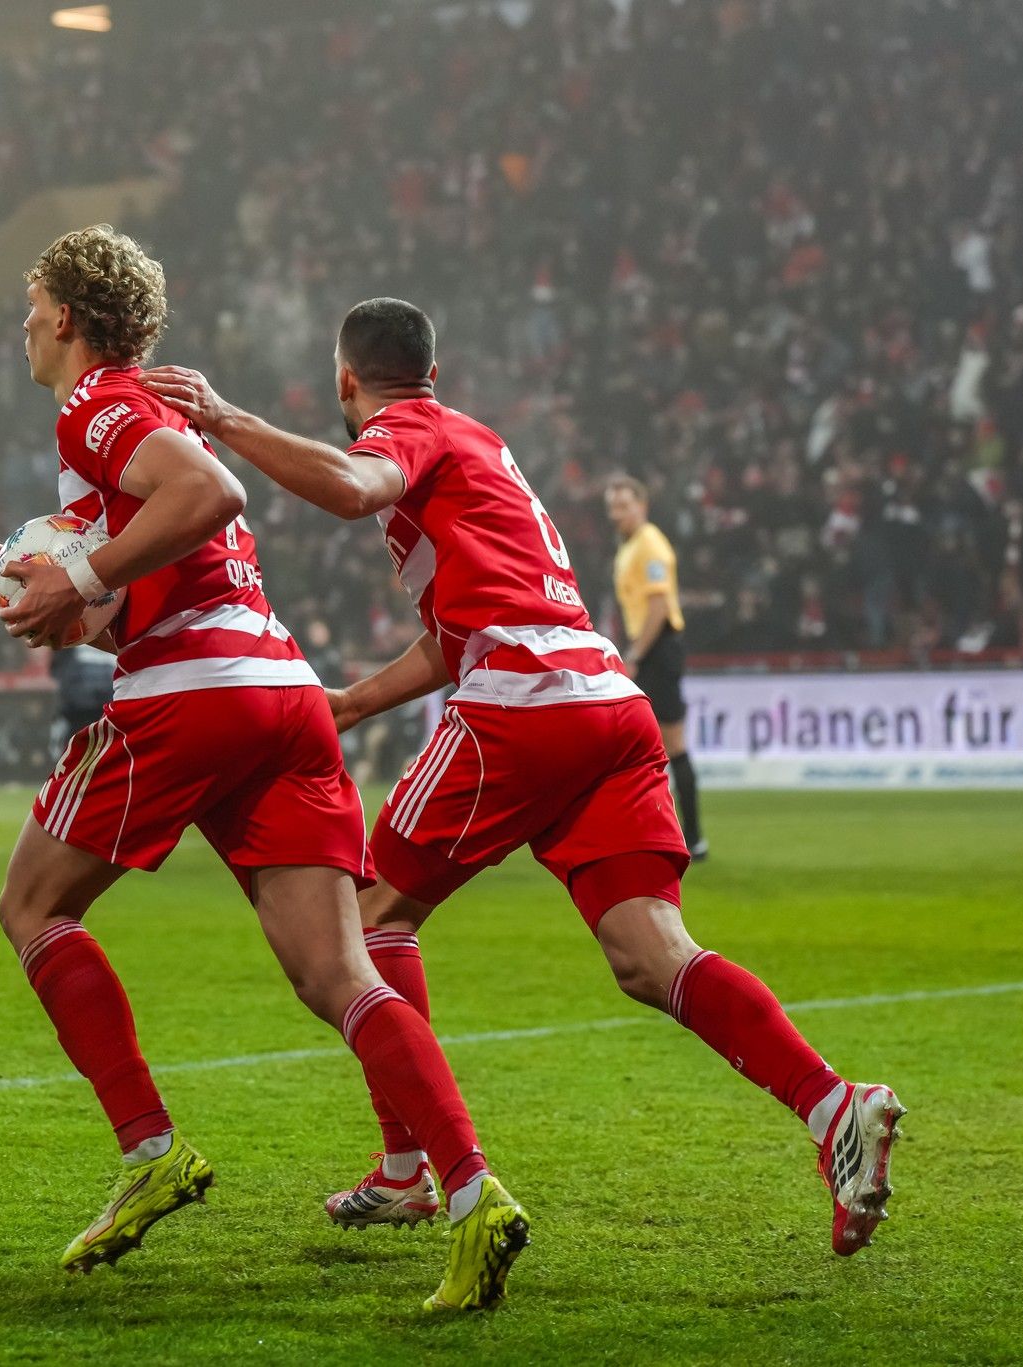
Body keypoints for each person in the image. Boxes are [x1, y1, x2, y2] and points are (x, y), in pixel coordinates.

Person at [143, 298, 905, 1258]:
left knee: (367, 918)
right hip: (605, 705)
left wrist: (227, 419)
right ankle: (837, 1106)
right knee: (650, 953)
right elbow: (452, 631)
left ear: (346, 379)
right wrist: (354, 703)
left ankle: (412, 1171)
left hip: (523, 705)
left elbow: (349, 486)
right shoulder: (479, 443)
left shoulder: (403, 429)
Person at [0, 228, 523, 1311]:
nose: (20, 321)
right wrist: (10, 570)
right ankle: (475, 1194)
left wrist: (76, 576)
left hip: (196, 695)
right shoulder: (122, 427)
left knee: (30, 906)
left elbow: (210, 496)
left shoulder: (97, 402)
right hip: (278, 696)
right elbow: (153, 585)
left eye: (28, 302)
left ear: (63, 314)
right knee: (340, 975)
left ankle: (150, 1149)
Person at [605, 475, 706, 858]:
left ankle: (691, 837)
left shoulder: (650, 546)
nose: (616, 514)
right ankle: (676, 835)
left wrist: (634, 656)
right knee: (650, 746)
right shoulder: (632, 546)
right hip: (652, 650)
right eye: (612, 507)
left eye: (623, 505)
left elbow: (659, 608)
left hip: (657, 651)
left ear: (641, 506)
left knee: (668, 745)